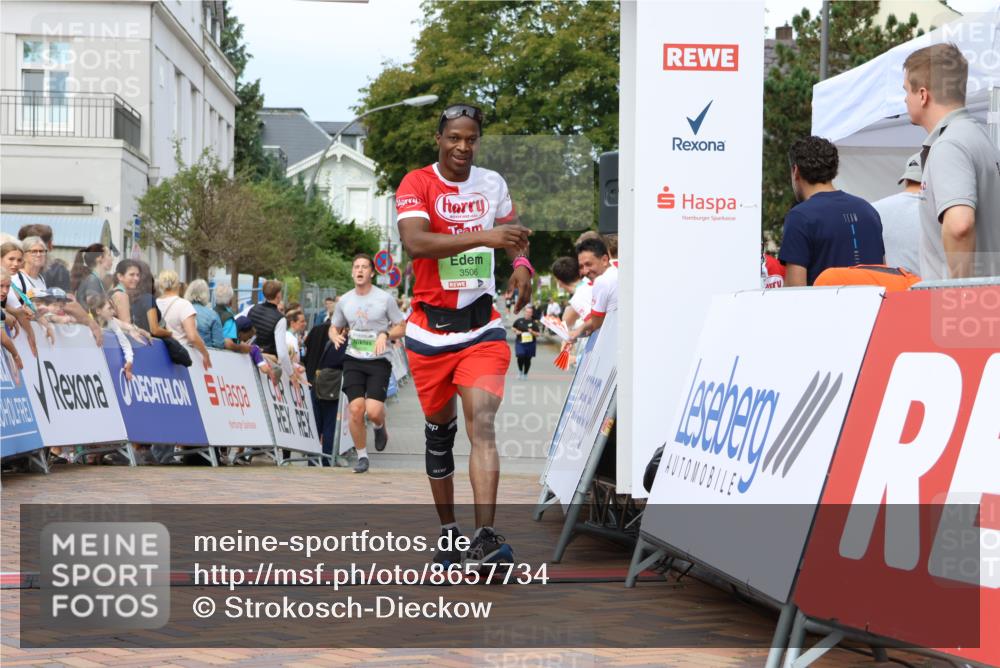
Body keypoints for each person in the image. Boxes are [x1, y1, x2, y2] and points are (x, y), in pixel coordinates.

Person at [395, 102, 532, 565]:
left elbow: (513, 233)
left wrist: (521, 263)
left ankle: (486, 536)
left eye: (471, 139)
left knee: (482, 424)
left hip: (481, 329)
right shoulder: (417, 183)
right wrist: (483, 238)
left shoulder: (493, 183)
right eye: (454, 137)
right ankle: (449, 532)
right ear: (439, 139)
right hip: (430, 334)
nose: (462, 146)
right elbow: (416, 242)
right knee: (440, 434)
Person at [903, 43, 1000, 279]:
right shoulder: (982, 139)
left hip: (960, 299)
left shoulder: (948, 145)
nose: (905, 99)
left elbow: (959, 226)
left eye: (906, 91)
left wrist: (958, 293)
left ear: (923, 95)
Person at [328, 254, 406, 473]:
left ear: (372, 272)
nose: (360, 270)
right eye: (356, 267)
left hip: (378, 360)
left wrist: (385, 334)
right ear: (352, 272)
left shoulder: (384, 299)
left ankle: (380, 426)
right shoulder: (345, 301)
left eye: (364, 267)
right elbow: (334, 327)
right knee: (355, 409)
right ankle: (362, 456)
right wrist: (334, 336)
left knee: (373, 411)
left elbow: (402, 326)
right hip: (353, 359)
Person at [778, 136, 885, 286]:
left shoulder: (800, 217)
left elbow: (795, 291)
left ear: (795, 171)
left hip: (826, 302)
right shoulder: (868, 210)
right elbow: (883, 271)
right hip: (873, 301)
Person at [303, 313, 348, 467]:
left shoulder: (323, 335)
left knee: (316, 425)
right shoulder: (343, 342)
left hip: (317, 383)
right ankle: (326, 460)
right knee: (329, 425)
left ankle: (313, 460)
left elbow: (307, 350)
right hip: (331, 389)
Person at [870, 154, 923, 272]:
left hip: (892, 281)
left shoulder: (873, 209)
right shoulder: (942, 211)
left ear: (906, 180)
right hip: (932, 282)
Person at [155, 270, 212, 369]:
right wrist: (205, 353)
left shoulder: (155, 303)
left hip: (159, 352)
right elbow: (192, 336)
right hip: (181, 356)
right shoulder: (184, 305)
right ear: (178, 285)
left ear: (160, 285)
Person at [569, 237, 618, 341]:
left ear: (604, 260)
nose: (585, 271)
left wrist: (580, 329)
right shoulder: (617, 272)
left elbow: (596, 324)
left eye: (588, 264)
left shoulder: (602, 281)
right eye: (581, 266)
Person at [15, 224, 69, 291]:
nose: (38, 255)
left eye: (41, 251)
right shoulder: (16, 279)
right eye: (34, 251)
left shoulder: (40, 279)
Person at [551, 256, 592, 330]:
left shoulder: (577, 299)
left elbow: (566, 323)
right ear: (579, 272)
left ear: (559, 282)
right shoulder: (593, 281)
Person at [247, 280, 284, 356]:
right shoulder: (280, 319)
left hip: (249, 353)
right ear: (278, 295)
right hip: (267, 356)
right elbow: (282, 352)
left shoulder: (253, 309)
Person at [185, 279, 225, 350]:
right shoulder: (213, 315)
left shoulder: (182, 310)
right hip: (205, 354)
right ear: (206, 294)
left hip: (183, 352)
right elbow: (219, 344)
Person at [512, 305, 541, 379]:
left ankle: (525, 374)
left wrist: (532, 332)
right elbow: (513, 328)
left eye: (529, 312)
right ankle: (520, 371)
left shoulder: (534, 323)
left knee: (527, 359)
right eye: (527, 312)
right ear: (524, 312)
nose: (528, 313)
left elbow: (538, 334)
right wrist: (516, 331)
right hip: (520, 342)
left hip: (530, 344)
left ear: (531, 314)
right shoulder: (519, 321)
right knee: (520, 356)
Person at [109, 260, 141, 324]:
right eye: (132, 274)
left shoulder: (114, 291)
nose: (136, 278)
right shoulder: (121, 295)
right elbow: (126, 325)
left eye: (138, 275)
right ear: (120, 276)